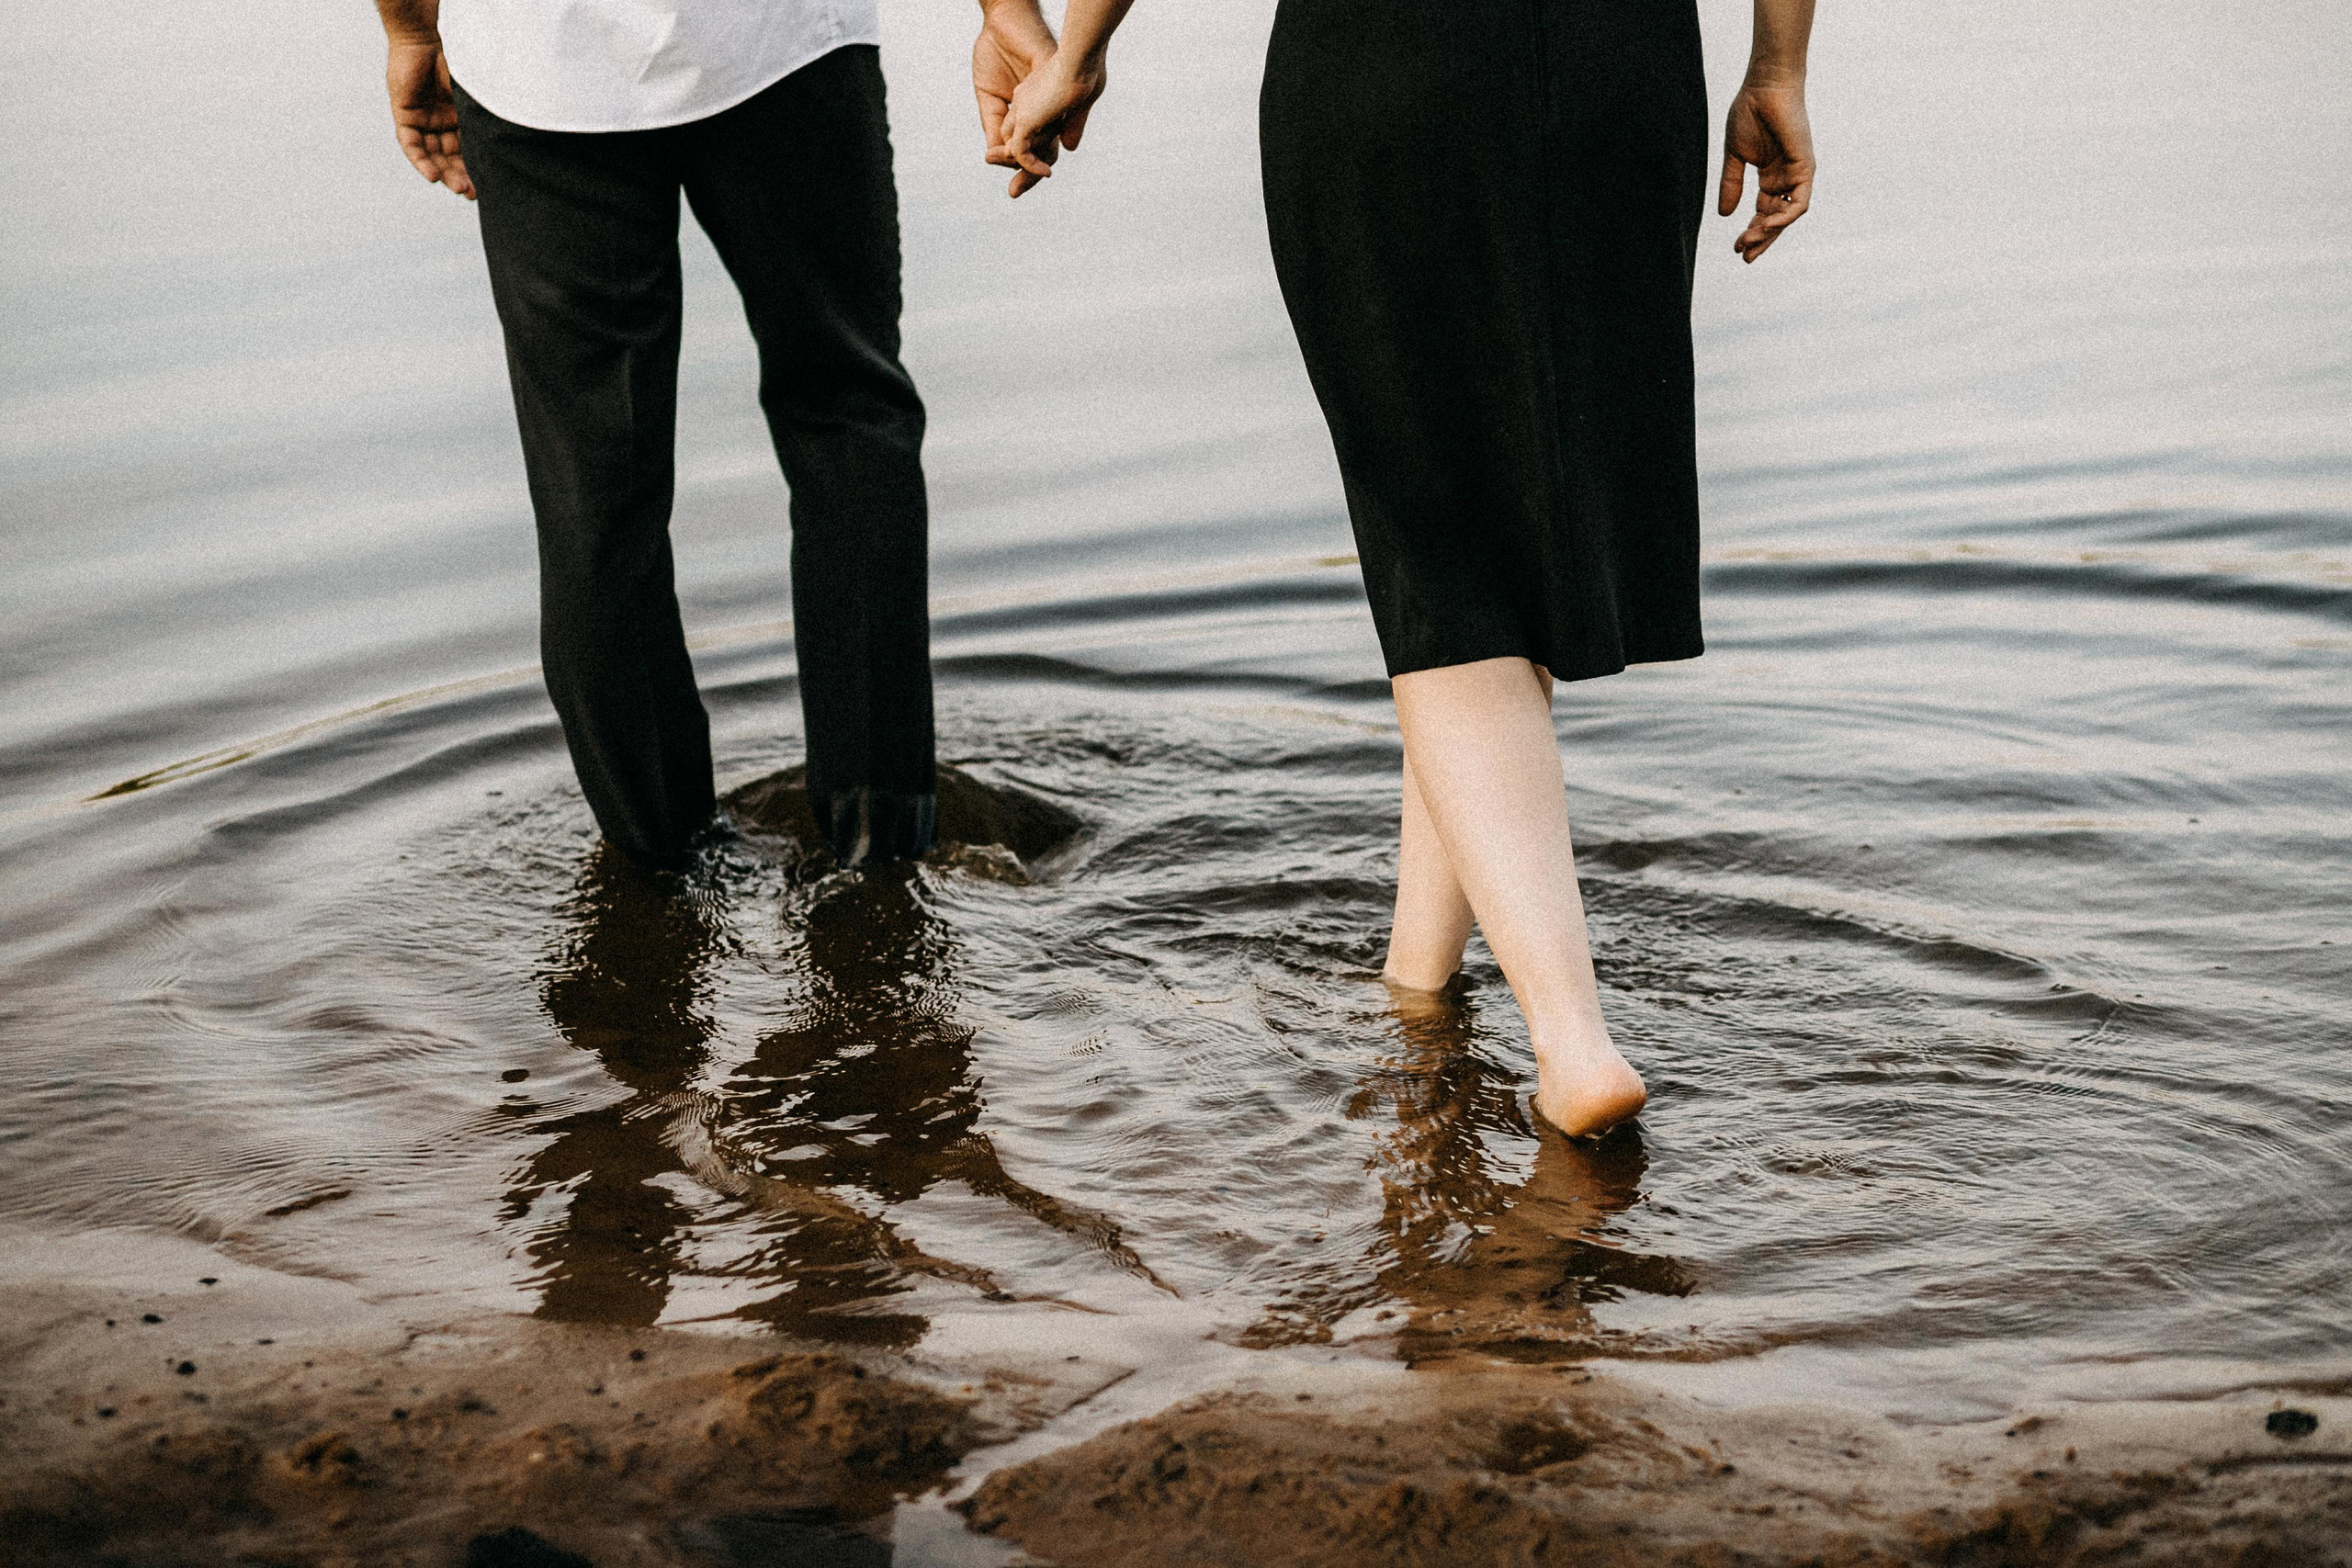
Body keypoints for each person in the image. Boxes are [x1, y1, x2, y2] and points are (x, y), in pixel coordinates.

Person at [980, 0, 1817, 1137]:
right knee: (1509, 519)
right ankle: (1415, 991)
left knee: (1436, 559)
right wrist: (1777, 63)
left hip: (1385, 60)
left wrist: (1077, 46)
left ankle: (1572, 1044)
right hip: (1627, 62)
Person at [372, 1, 1058, 870]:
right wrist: (1005, 10)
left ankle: (663, 864)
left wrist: (413, 31)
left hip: (542, 67)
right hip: (782, 40)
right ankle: (880, 844)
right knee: (847, 418)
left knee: (595, 481)